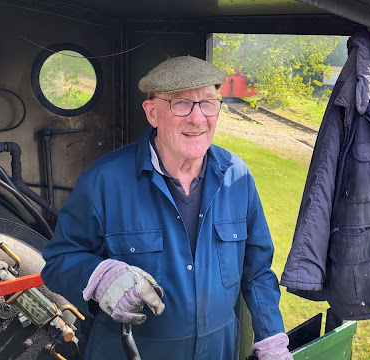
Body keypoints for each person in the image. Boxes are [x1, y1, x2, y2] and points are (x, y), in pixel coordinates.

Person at [40, 56, 291, 360]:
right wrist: (99, 276)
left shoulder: (238, 177)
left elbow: (257, 271)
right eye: (181, 104)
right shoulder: (104, 180)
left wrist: (273, 338)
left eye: (209, 103)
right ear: (152, 112)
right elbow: (58, 261)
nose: (198, 119)